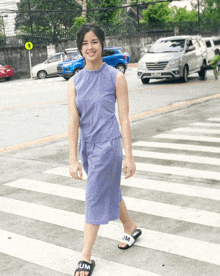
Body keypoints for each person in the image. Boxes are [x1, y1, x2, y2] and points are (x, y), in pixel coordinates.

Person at [67, 23, 142, 276]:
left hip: (109, 146)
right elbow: (73, 121)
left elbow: (124, 118)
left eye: (94, 42)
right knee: (109, 188)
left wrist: (129, 156)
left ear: (102, 44)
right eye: (85, 43)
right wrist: (73, 159)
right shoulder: (74, 82)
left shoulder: (115, 76)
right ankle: (130, 227)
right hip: (87, 148)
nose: (90, 47)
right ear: (80, 48)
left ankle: (85, 255)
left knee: (94, 196)